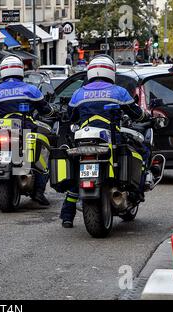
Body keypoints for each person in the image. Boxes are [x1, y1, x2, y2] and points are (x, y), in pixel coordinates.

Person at [60, 54, 150, 228]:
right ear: (111, 72)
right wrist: (146, 116)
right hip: (112, 138)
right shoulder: (119, 92)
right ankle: (135, 193)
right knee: (142, 151)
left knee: (74, 173)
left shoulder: (79, 93)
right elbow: (136, 114)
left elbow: (70, 116)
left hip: (84, 141)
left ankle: (67, 215)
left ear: (90, 72)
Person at [0, 55, 55, 206]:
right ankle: (38, 191)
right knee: (43, 152)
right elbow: (45, 110)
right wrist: (52, 113)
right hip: (26, 129)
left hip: (1, 130)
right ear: (20, 70)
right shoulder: (30, 89)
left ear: (3, 71)